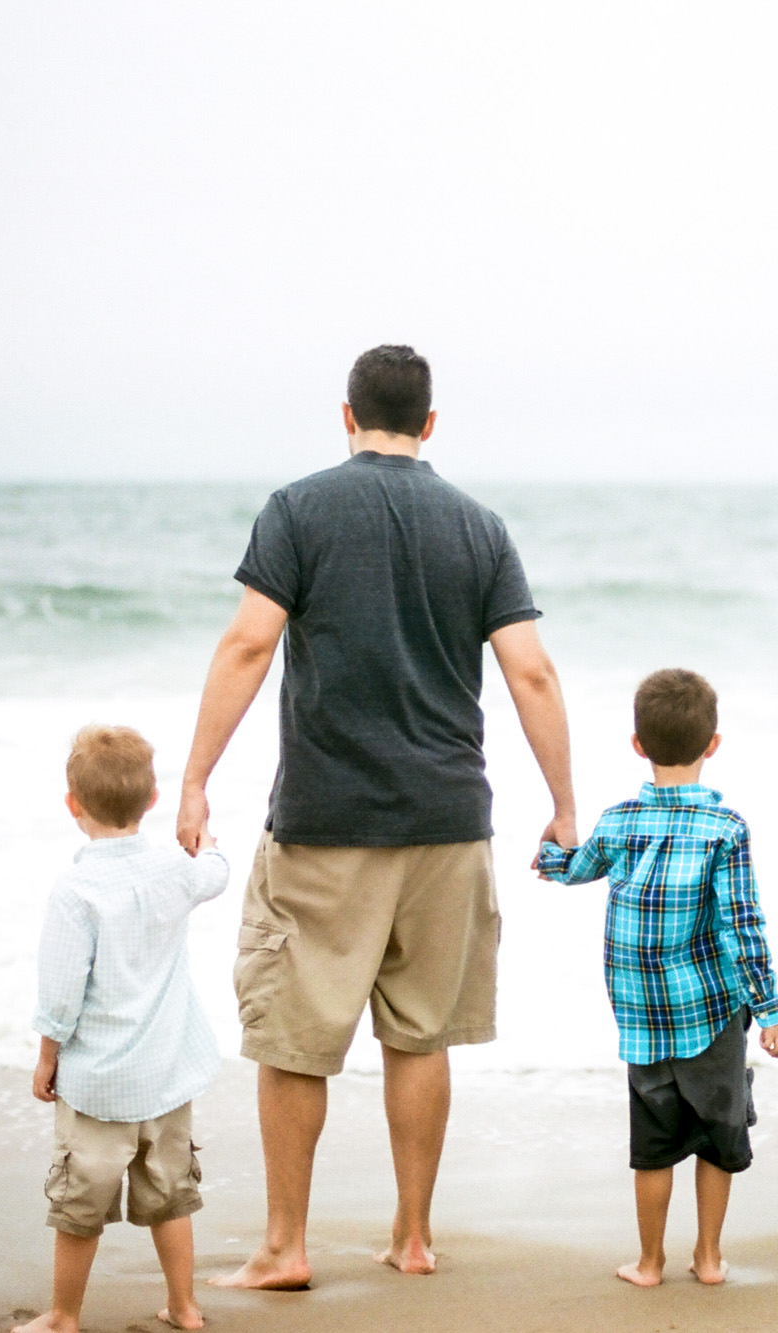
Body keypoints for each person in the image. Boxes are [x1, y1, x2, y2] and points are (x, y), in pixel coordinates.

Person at [176, 345, 577, 1289]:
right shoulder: (479, 526)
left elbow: (247, 646)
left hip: (326, 818)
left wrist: (195, 779)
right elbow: (532, 670)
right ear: (431, 424)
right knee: (421, 1034)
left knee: (294, 1036)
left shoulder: (299, 508)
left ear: (345, 414)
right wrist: (564, 806)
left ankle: (285, 1245)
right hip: (448, 819)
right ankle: (412, 1235)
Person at [535, 668, 778, 1287]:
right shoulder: (726, 829)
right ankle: (708, 1258)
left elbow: (573, 870)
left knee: (652, 1143)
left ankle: (649, 1262)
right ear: (714, 744)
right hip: (712, 1012)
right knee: (717, 1135)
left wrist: (549, 850)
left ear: (637, 745)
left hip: (643, 1018)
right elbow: (741, 925)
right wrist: (771, 1009)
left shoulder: (619, 821)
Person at [20, 725, 230, 1333]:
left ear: (73, 805)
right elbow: (214, 872)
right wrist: (206, 840)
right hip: (166, 1078)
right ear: (154, 800)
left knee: (79, 1206)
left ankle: (63, 1316)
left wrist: (46, 1057)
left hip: (99, 1087)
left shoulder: (75, 891)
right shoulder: (175, 871)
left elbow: (60, 992)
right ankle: (185, 1308)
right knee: (171, 1197)